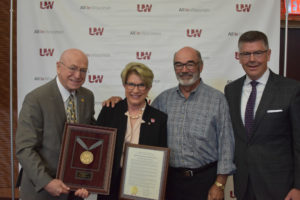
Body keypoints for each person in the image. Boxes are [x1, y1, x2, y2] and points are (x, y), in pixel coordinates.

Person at [103, 47, 236, 200]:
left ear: (201, 66)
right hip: (169, 182)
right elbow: (137, 111)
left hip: (205, 180)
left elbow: (227, 144)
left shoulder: (217, 100)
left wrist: (220, 184)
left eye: (190, 64)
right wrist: (117, 101)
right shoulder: (163, 100)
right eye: (179, 65)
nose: (184, 69)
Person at [224, 30, 300, 200]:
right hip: (243, 185)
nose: (252, 59)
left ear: (268, 54)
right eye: (246, 54)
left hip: (280, 187)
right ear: (238, 56)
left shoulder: (291, 89)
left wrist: (298, 186)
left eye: (258, 53)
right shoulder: (231, 90)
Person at [16, 48, 95, 200]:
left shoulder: (87, 97)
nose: (78, 75)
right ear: (59, 67)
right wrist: (46, 182)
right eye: (72, 68)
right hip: (40, 192)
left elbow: (91, 138)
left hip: (74, 191)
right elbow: (25, 148)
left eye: (83, 70)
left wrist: (89, 180)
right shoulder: (36, 99)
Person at [96, 62, 167, 200]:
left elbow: (161, 160)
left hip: (143, 188)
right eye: (131, 84)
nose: (136, 90)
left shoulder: (159, 119)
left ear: (149, 87)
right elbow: (97, 149)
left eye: (141, 85)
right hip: (110, 187)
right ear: (124, 85)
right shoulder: (109, 110)